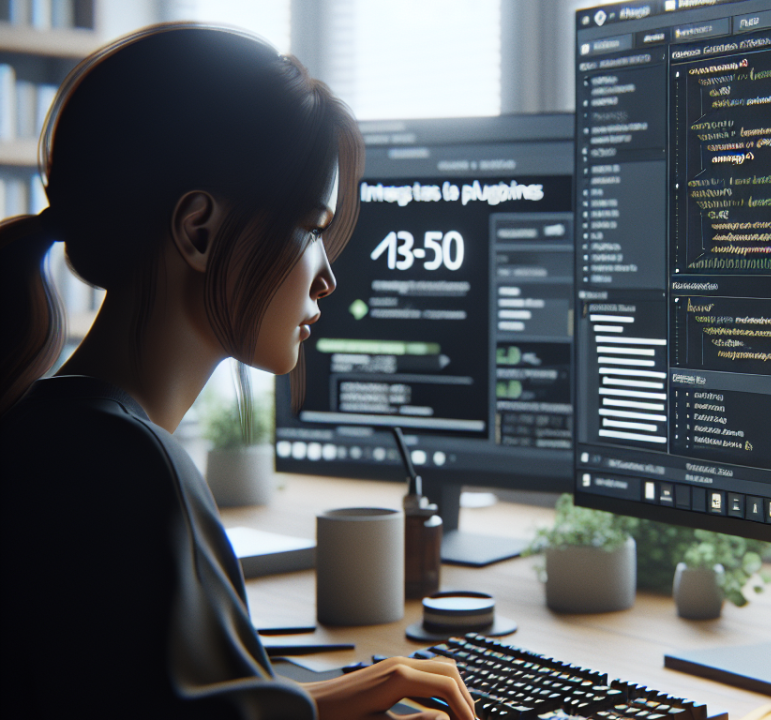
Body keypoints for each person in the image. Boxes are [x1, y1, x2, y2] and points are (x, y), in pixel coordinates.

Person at [0, 24, 475, 720]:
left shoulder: (47, 429)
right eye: (311, 227)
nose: (327, 278)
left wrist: (347, 693)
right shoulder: (134, 467)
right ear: (199, 230)